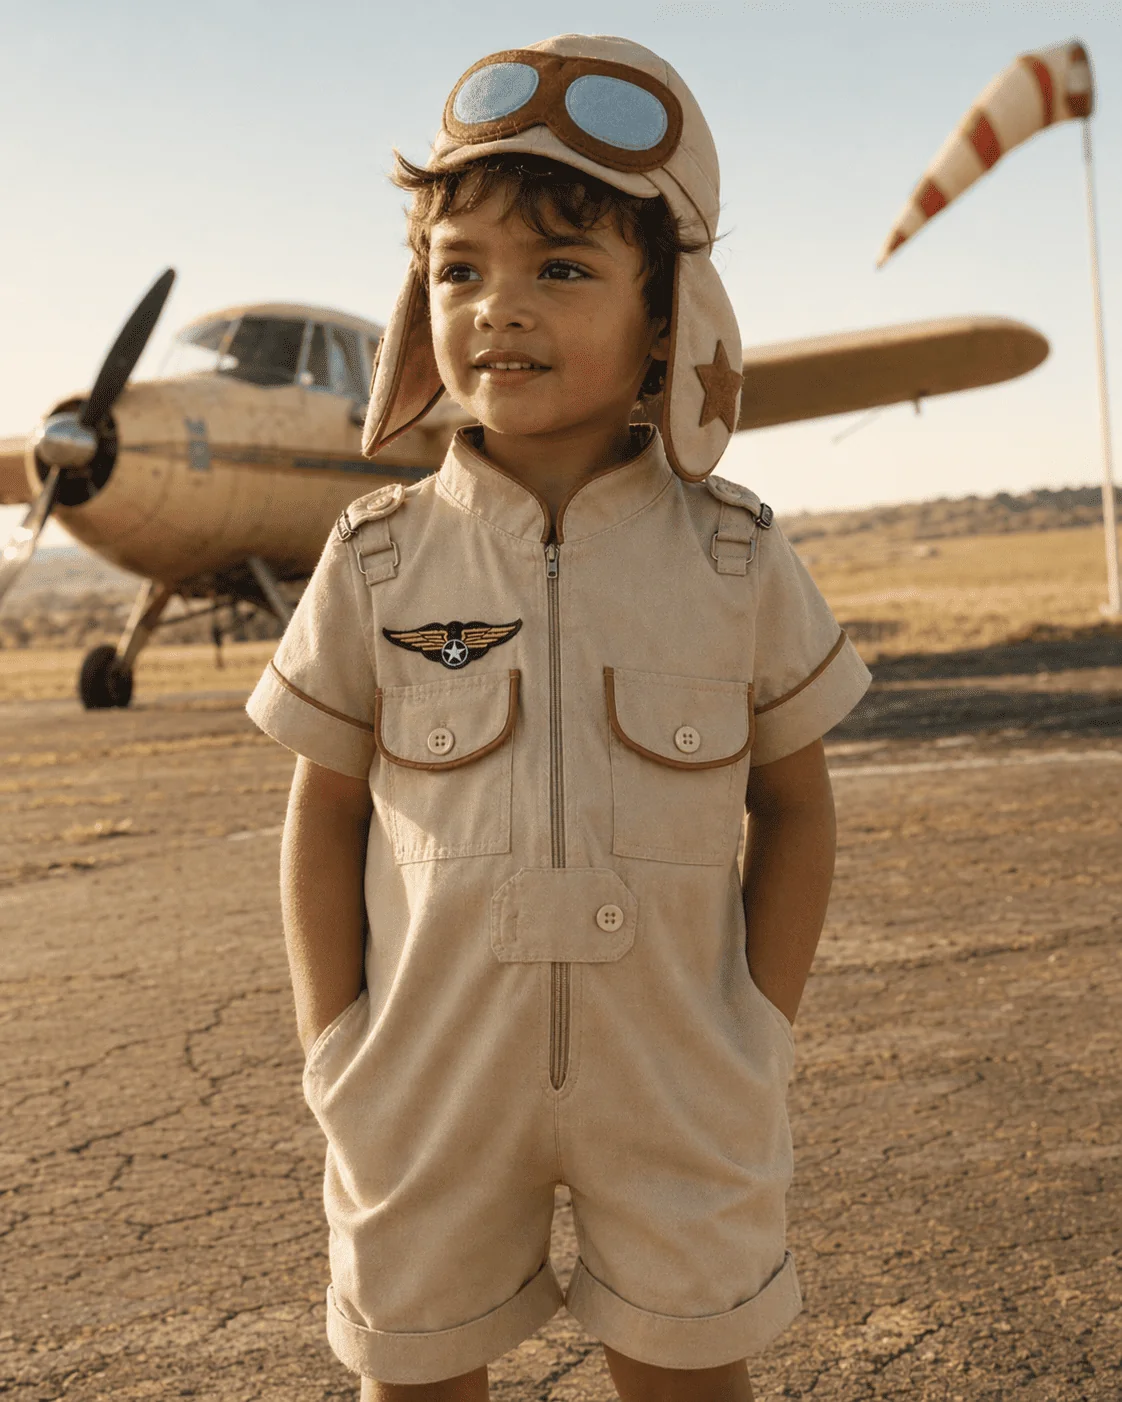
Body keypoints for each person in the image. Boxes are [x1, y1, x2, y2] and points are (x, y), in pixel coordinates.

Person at [246, 33, 871, 1402]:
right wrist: (335, 1046)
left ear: (670, 316)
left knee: (689, 1376)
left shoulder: (738, 557)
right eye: (459, 269)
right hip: (424, 1083)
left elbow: (797, 803)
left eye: (563, 269)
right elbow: (324, 812)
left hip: (681, 1082)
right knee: (415, 1374)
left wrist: (755, 1030)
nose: (498, 308)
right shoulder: (374, 559)